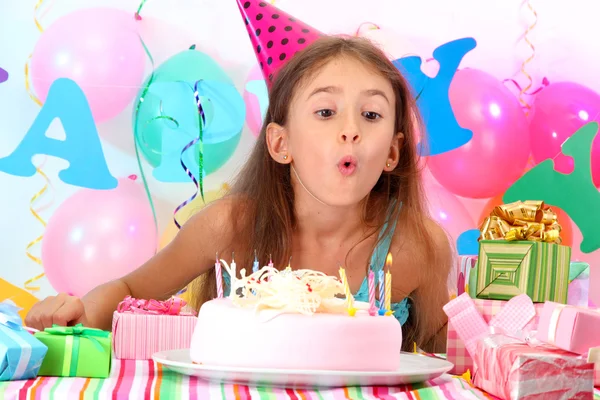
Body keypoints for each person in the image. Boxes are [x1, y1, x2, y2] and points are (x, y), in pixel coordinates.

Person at [26, 36, 453, 353]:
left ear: (394, 151)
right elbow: (127, 289)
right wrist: (79, 315)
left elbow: (441, 365)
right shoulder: (228, 227)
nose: (350, 130)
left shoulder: (419, 245)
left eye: (372, 114)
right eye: (325, 112)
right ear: (280, 144)